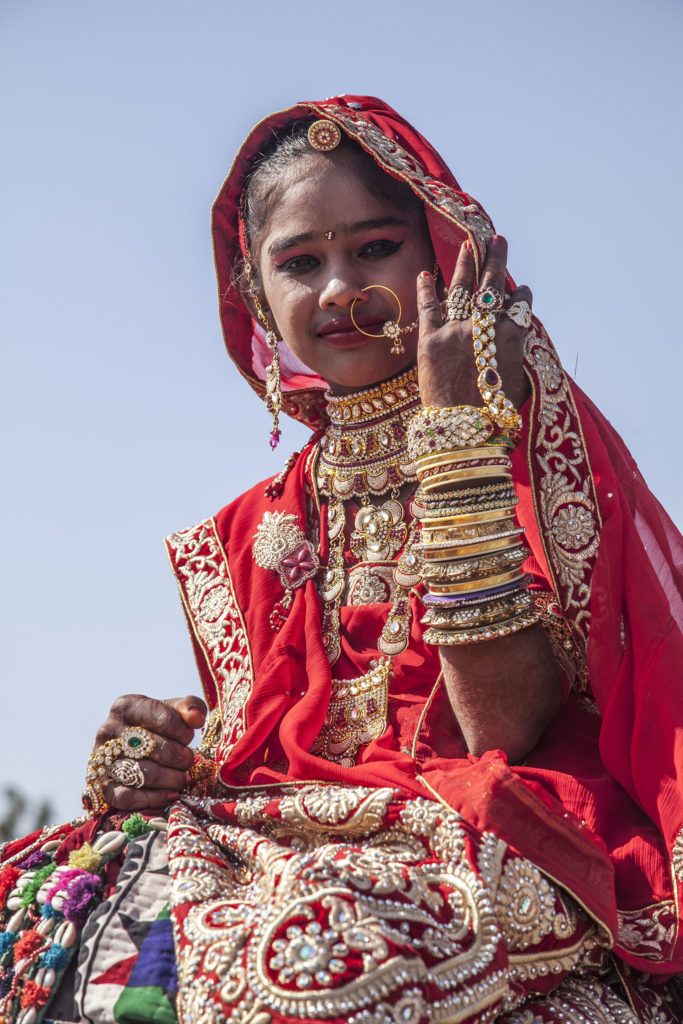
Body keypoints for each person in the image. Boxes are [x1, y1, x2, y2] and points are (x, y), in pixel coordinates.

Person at [1, 95, 682, 1024]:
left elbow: (501, 726)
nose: (338, 291)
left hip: (505, 828)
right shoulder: (248, 529)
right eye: (299, 262)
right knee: (49, 908)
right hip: (291, 833)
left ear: (440, 253)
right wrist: (159, 768)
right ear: (253, 287)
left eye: (374, 249)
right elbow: (272, 753)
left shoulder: (527, 430)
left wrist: (455, 433)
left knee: (318, 951)